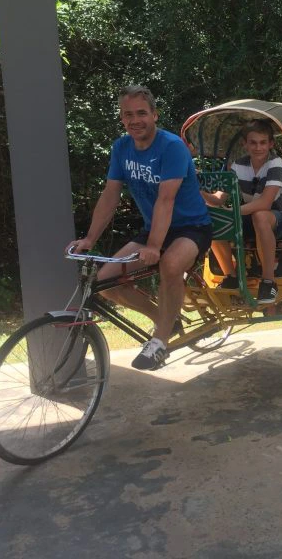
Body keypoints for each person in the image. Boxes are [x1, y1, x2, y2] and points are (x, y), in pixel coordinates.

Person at [68, 85, 213, 370]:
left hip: (191, 227)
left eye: (142, 113)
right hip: (154, 230)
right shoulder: (121, 147)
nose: (135, 120)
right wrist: (89, 238)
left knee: (170, 265)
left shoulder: (172, 147)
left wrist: (155, 246)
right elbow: (111, 195)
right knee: (105, 282)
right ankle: (165, 320)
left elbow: (166, 200)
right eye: (128, 114)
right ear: (122, 118)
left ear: (155, 115)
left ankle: (159, 343)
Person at [202, 119, 282, 304]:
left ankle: (268, 282)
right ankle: (231, 277)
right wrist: (200, 193)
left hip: (280, 218)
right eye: (253, 142)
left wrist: (232, 211)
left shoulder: (275, 163)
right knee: (211, 216)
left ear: (270, 144)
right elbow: (220, 197)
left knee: (259, 216)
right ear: (245, 144)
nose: (258, 147)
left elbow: (265, 202)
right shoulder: (238, 165)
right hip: (247, 216)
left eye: (262, 143)